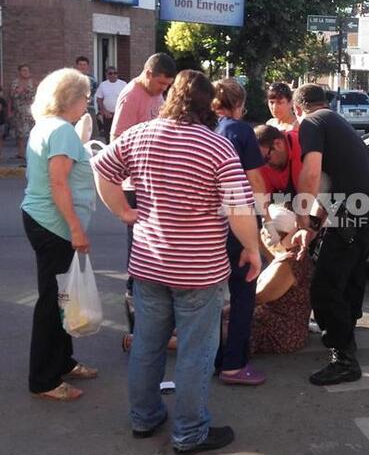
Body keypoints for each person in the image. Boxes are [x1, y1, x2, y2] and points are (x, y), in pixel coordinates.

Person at [92, 70, 261, 453]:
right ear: (207, 105)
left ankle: (144, 417)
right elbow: (238, 207)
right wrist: (252, 249)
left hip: (149, 265)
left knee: (147, 346)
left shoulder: (140, 135)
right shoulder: (216, 147)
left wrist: (123, 211)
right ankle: (190, 433)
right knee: (195, 354)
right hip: (199, 271)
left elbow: (101, 168)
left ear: (171, 97)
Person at [290, 83, 369, 386]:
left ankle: (343, 359)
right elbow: (329, 189)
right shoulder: (337, 122)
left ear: (298, 107)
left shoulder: (311, 122)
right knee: (349, 276)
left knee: (325, 286)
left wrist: (301, 219)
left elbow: (312, 174)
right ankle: (348, 337)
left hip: (354, 216)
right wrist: (314, 228)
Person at [20, 68, 99, 401]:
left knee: (61, 296)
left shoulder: (48, 126)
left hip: (42, 219)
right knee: (52, 302)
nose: (88, 102)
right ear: (73, 98)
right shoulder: (62, 131)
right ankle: (44, 380)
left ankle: (62, 361)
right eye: (85, 97)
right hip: (55, 225)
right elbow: (58, 183)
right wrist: (76, 229)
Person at [109, 52, 176, 339]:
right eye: (160, 84)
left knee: (153, 257)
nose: (163, 90)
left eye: (167, 86)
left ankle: (151, 327)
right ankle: (137, 332)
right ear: (148, 74)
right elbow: (117, 140)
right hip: (135, 187)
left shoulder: (153, 94)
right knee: (139, 259)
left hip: (151, 184)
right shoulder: (132, 95)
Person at [212, 78, 267, 385]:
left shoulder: (205, 129)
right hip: (238, 223)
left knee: (210, 298)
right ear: (239, 105)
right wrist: (265, 220)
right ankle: (233, 363)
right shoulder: (241, 132)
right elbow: (256, 183)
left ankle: (214, 357)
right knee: (243, 292)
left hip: (208, 225)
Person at [250, 205, 313, 354]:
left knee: (219, 329)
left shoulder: (290, 261)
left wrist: (224, 311)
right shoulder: (291, 253)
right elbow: (273, 257)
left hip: (280, 332)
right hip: (281, 324)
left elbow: (258, 298)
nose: (266, 237)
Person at [255, 124, 303, 202]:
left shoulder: (302, 144)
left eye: (266, 159)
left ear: (278, 144)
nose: (266, 166)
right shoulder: (264, 161)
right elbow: (265, 199)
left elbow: (311, 186)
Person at [8, 64, 36, 163]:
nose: (25, 72)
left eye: (27, 70)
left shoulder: (31, 83)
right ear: (19, 72)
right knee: (19, 134)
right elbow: (11, 97)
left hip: (30, 112)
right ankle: (21, 153)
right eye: (23, 70)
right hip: (18, 112)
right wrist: (9, 111)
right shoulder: (15, 83)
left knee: (31, 133)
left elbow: (34, 96)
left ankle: (31, 153)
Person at [94, 65, 127, 143]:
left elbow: (127, 99)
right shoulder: (103, 85)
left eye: (115, 73)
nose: (113, 75)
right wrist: (104, 111)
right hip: (108, 114)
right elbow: (99, 99)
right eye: (110, 73)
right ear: (107, 74)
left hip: (120, 113)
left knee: (120, 133)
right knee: (108, 134)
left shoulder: (123, 84)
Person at [75, 56, 99, 139]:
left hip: (89, 108)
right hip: (75, 108)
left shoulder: (92, 79)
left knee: (91, 131)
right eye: (80, 64)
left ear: (87, 66)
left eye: (84, 65)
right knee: (76, 131)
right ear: (77, 66)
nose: (82, 66)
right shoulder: (72, 78)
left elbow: (94, 91)